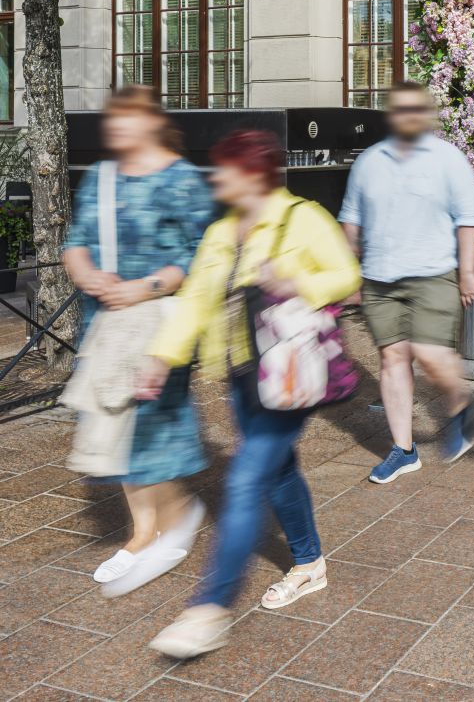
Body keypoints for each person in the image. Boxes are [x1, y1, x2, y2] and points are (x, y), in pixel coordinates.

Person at [137, 129, 361, 660]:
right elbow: (195, 302)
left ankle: (209, 610)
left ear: (253, 173)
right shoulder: (221, 231)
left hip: (290, 372)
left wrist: (297, 282)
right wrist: (161, 357)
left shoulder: (303, 217)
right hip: (242, 375)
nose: (216, 177)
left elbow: (347, 275)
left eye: (225, 168)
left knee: (244, 480)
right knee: (278, 471)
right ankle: (309, 562)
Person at [62, 86, 215, 596]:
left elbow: (201, 256)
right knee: (117, 421)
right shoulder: (102, 177)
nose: (117, 127)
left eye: (128, 118)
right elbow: (75, 243)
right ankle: (144, 532)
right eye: (114, 119)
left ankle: (177, 518)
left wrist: (144, 286)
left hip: (159, 325)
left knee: (150, 426)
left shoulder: (181, 178)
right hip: (108, 325)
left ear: (153, 122)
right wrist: (89, 275)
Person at [339, 80, 474, 485]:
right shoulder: (370, 161)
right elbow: (351, 219)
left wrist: (467, 273)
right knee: (393, 359)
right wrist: (349, 273)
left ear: (427, 114)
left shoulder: (448, 159)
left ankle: (460, 400)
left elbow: (468, 220)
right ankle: (403, 450)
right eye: (401, 109)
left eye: (416, 108)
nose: (408, 116)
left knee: (431, 355)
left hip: (434, 274)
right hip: (380, 278)